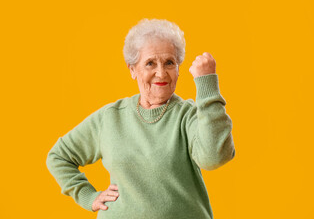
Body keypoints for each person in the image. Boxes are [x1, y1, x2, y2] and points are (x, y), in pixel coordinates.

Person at [46, 18, 236, 219]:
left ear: (179, 69)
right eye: (150, 63)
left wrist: (207, 85)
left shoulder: (188, 115)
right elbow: (59, 156)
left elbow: (214, 158)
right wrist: (87, 195)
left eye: (169, 62)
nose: (161, 73)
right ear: (132, 70)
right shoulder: (110, 117)